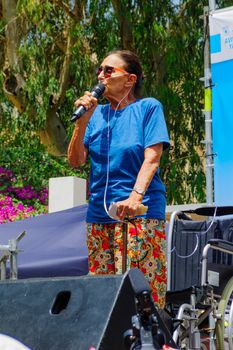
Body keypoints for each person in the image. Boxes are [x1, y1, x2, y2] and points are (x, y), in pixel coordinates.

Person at [68, 50, 170, 308]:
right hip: (100, 217)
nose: (101, 75)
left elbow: (152, 159)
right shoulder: (96, 115)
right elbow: (76, 160)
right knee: (103, 301)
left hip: (139, 215)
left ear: (130, 79)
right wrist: (82, 123)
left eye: (109, 70)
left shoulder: (148, 108)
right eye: (99, 70)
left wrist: (135, 198)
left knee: (142, 299)